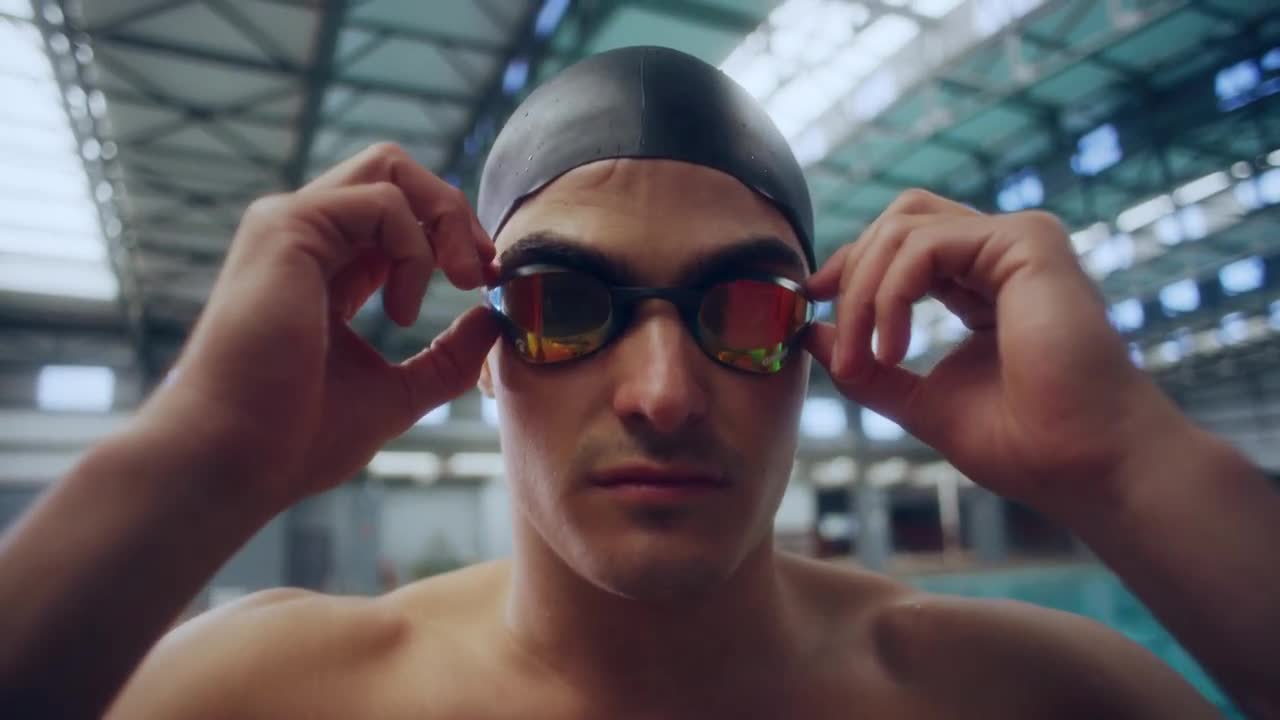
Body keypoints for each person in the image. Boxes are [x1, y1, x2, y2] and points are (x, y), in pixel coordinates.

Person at [0, 46, 1276, 719]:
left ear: (809, 347)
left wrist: (1128, 466)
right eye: (564, 305)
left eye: (745, 309)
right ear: (488, 357)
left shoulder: (1022, 695)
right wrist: (196, 463)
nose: (662, 392)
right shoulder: (266, 697)